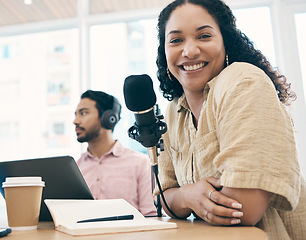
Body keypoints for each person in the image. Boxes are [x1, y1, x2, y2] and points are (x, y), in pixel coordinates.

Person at [154, 0, 306, 239]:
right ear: (164, 51)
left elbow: (243, 208)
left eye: (204, 36)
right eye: (176, 40)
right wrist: (189, 195)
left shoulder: (244, 81)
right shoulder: (172, 111)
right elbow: (162, 197)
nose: (190, 51)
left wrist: (181, 199)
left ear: (226, 41)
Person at [73, 90, 157, 216]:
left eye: (83, 113)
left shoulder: (140, 163)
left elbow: (151, 215)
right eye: (75, 115)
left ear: (108, 118)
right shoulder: (76, 168)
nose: (75, 121)